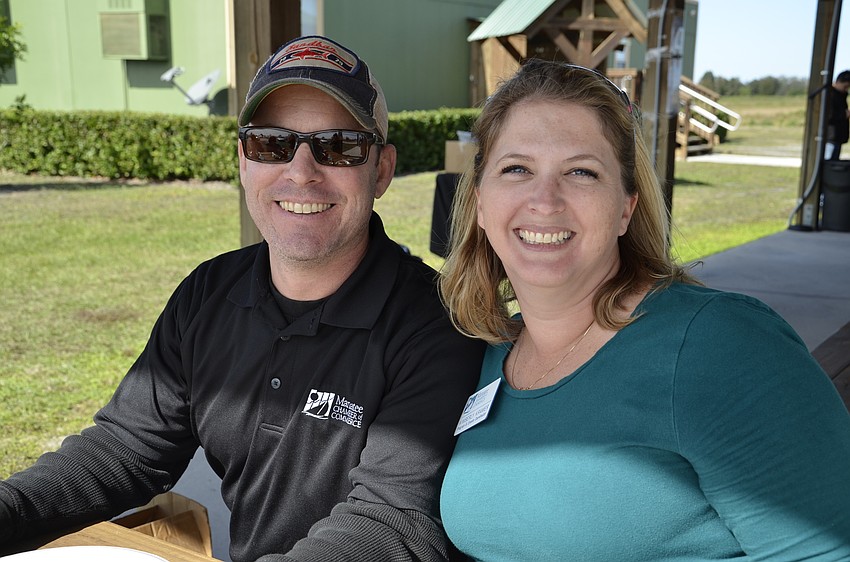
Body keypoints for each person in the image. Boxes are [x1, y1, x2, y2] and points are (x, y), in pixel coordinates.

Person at [0, 35, 484, 561]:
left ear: (382, 170)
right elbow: (125, 451)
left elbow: (393, 521)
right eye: (272, 143)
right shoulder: (208, 294)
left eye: (339, 145)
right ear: (243, 161)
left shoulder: (437, 326)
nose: (301, 172)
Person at [438, 59, 850, 560]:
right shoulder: (482, 355)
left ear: (626, 208)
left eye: (581, 172)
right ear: (481, 203)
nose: (544, 201)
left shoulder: (721, 345)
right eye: (517, 168)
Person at [825, 70, 850, 160]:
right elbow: (828, 116)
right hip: (831, 137)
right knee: (829, 162)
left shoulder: (841, 96)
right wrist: (844, 114)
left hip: (837, 137)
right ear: (839, 82)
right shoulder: (830, 95)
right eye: (845, 86)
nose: (846, 89)